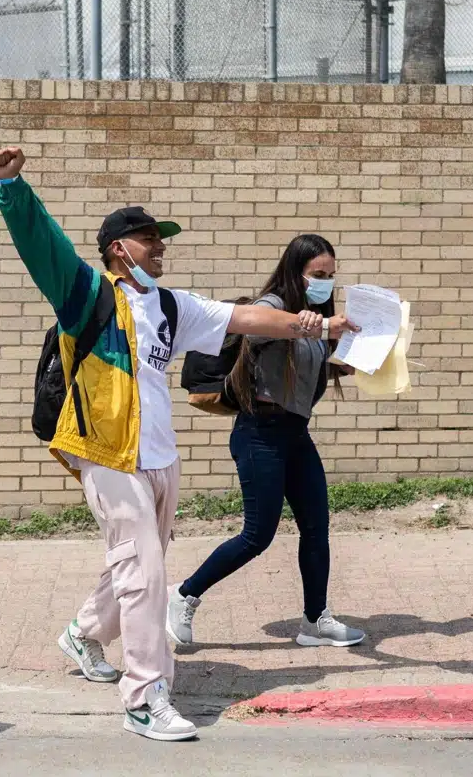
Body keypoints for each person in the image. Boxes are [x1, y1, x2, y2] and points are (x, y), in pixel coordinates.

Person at [0, 148, 354, 742]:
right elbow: (43, 245)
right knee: (145, 575)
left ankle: (83, 633)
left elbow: (243, 318)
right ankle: (145, 697)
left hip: (159, 457)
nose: (160, 246)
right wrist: (13, 187)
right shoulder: (86, 294)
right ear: (119, 249)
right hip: (107, 454)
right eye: (149, 239)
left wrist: (316, 324)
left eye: (161, 239)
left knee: (141, 564)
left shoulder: (167, 304)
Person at [167, 234, 366, 652]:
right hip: (260, 433)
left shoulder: (315, 315)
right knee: (257, 535)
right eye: (317, 274)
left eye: (331, 275)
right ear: (295, 271)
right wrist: (312, 325)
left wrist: (341, 367)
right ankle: (183, 595)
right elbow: (257, 333)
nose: (325, 282)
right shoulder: (273, 307)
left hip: (295, 434)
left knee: (317, 529)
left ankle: (315, 621)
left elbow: (297, 368)